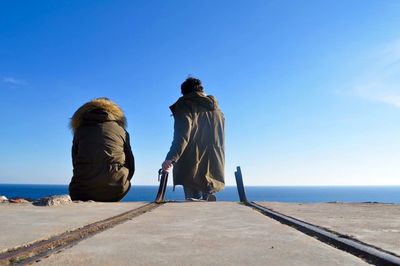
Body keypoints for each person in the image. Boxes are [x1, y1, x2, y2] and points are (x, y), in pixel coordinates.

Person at [162, 77, 225, 201]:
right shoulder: (217, 110)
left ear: (184, 92)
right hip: (214, 165)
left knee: (193, 206)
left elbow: (182, 135)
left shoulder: (185, 104)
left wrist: (170, 158)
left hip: (192, 163)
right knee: (207, 205)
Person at [69, 97, 135, 202]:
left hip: (81, 190)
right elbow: (131, 163)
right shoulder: (121, 130)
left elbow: (74, 160)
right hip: (117, 189)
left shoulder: (80, 130)